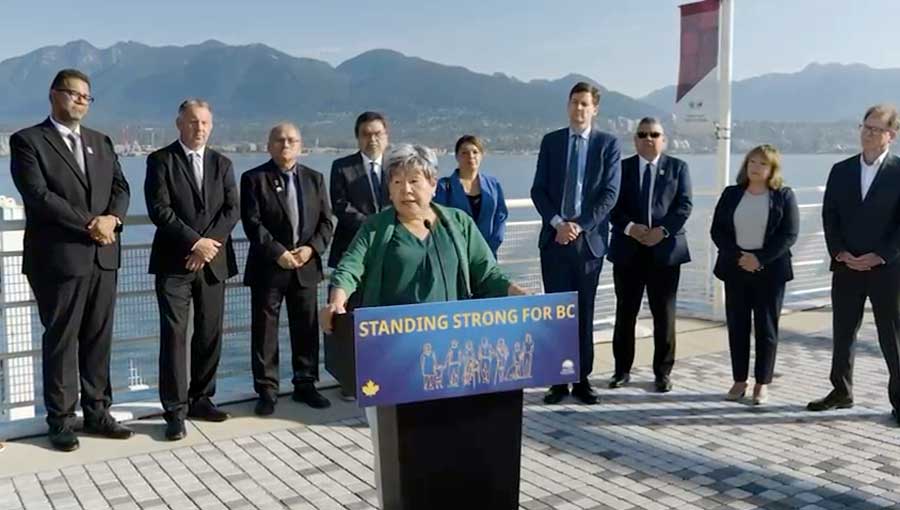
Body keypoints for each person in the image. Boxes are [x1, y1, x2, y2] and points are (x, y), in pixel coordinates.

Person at [321, 143, 526, 508]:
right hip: (392, 355)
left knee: (452, 441)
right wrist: (338, 299)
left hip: (452, 353)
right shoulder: (378, 227)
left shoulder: (456, 223)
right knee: (398, 450)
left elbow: (486, 273)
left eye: (415, 180)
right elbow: (350, 267)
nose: (406, 190)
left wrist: (517, 293)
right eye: (397, 181)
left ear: (433, 183)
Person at [10, 68, 133, 451]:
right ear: (54, 94)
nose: (81, 100)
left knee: (98, 338)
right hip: (59, 259)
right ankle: (61, 420)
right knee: (62, 340)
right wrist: (90, 224)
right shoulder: (28, 141)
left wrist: (113, 220)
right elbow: (39, 195)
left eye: (86, 96)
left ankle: (98, 412)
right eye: (73, 93)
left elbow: (121, 187)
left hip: (103, 256)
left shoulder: (101, 141)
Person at [145, 99, 239, 440]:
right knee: (174, 337)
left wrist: (208, 245)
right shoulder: (160, 161)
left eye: (205, 123)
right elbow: (159, 209)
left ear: (211, 126)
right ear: (179, 124)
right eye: (193, 122)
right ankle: (175, 411)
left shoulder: (223, 163)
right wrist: (194, 243)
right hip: (174, 263)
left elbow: (232, 209)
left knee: (210, 333)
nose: (199, 128)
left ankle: (202, 399)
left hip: (213, 262)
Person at [808, 104, 900, 423]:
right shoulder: (841, 170)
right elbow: (830, 216)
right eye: (865, 127)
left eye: (876, 129)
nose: (868, 133)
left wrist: (881, 255)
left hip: (887, 268)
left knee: (892, 336)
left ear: (891, 135)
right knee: (843, 331)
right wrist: (840, 253)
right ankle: (841, 391)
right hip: (847, 265)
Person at [531, 81, 621, 405]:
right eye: (574, 102)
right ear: (568, 106)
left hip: (588, 243)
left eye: (585, 104)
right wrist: (558, 223)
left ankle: (582, 379)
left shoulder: (608, 145)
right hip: (554, 240)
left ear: (594, 109)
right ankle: (557, 381)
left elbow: (609, 194)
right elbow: (538, 190)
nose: (579, 108)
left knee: (583, 312)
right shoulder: (552, 142)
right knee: (556, 313)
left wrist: (579, 226)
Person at [240, 123, 334, 416]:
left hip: (305, 265)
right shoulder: (254, 179)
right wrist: (277, 252)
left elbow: (326, 222)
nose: (286, 145)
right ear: (269, 145)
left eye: (292, 140)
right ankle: (267, 390)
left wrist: (311, 249)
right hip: (269, 267)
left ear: (301, 145)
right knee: (265, 331)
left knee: (306, 328)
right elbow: (252, 222)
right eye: (279, 140)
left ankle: (305, 383)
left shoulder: (315, 179)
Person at [608, 118, 692, 392]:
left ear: (663, 140)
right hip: (628, 252)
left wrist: (662, 231)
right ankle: (621, 371)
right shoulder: (621, 169)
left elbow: (684, 206)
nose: (648, 139)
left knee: (664, 315)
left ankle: (663, 373)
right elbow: (611, 206)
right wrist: (630, 228)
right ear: (635, 140)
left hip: (665, 254)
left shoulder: (679, 168)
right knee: (625, 313)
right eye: (642, 134)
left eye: (654, 134)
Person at [711, 145, 798, 405]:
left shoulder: (783, 195)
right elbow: (717, 231)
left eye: (762, 163)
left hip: (770, 271)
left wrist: (759, 259)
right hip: (736, 269)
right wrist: (739, 257)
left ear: (772, 169)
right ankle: (740, 380)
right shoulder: (731, 194)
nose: (755, 167)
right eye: (752, 162)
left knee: (766, 328)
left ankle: (762, 383)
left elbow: (789, 234)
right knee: (737, 327)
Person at [328, 111, 391, 269]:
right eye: (366, 134)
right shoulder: (342, 167)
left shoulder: (397, 166)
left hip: (391, 243)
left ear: (386, 136)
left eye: (377, 134)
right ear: (357, 137)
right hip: (353, 244)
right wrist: (372, 225)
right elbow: (340, 206)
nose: (372, 139)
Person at [435, 135, 508, 257]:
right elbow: (438, 221)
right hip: (455, 255)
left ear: (481, 155)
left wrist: (491, 246)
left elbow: (501, 216)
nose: (471, 156)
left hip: (487, 254)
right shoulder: (444, 187)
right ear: (457, 157)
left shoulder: (493, 185)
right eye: (464, 153)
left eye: (475, 152)